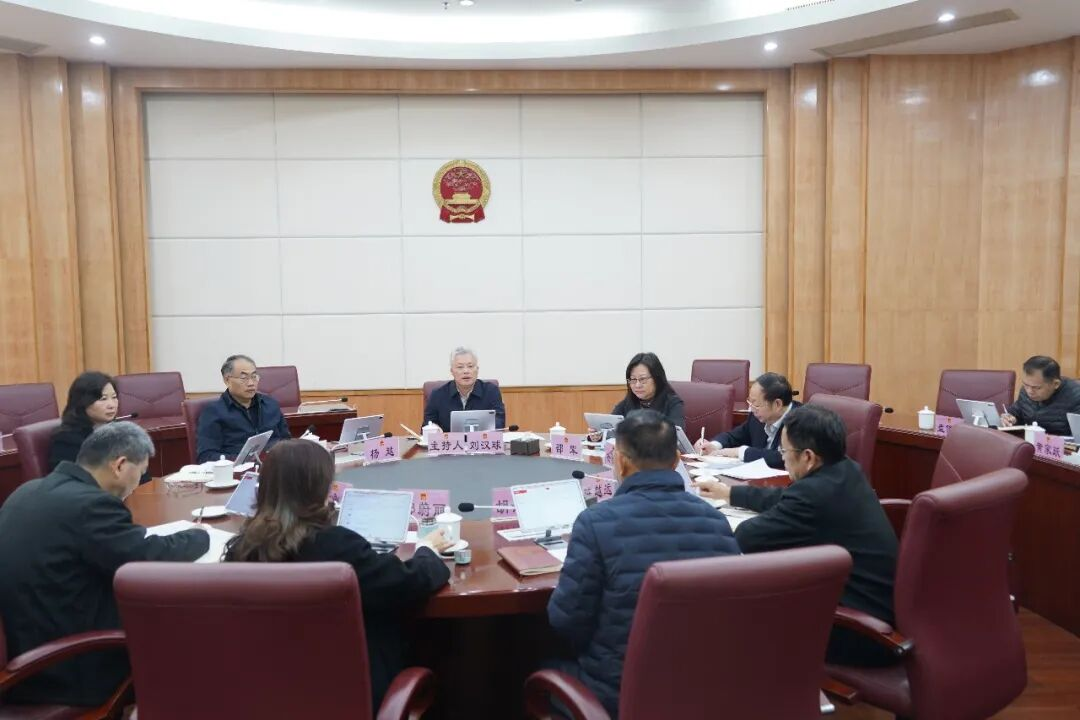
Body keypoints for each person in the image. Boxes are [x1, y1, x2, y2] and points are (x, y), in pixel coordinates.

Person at [224, 440, 452, 712]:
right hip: (352, 695)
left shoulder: (241, 550)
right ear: (316, 489)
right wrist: (427, 550)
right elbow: (409, 583)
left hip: (267, 699)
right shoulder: (336, 546)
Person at [0, 422, 209, 707]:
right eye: (141, 472)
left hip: (28, 648)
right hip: (68, 668)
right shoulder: (91, 505)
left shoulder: (27, 491)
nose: (139, 481)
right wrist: (199, 536)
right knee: (190, 626)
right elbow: (147, 557)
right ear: (120, 465)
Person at [548, 410, 739, 716]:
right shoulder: (716, 521)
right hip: (701, 689)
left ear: (620, 462)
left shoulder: (595, 522)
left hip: (618, 691)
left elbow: (566, 620)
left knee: (533, 661)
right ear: (676, 461)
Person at [695, 404, 898, 667]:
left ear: (808, 457)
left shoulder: (813, 495)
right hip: (874, 608)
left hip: (858, 631)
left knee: (737, 608)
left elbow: (747, 538)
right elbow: (786, 497)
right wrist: (730, 493)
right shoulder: (845, 470)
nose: (782, 458)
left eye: (784, 451)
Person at [196, 354, 291, 463]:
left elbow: (286, 440)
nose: (251, 383)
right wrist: (241, 460)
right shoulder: (213, 412)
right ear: (227, 380)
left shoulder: (270, 404)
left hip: (275, 466)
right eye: (243, 378)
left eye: (254, 376)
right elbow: (206, 456)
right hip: (236, 470)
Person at [693, 371, 798, 469]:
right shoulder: (757, 416)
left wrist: (740, 452)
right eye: (750, 402)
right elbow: (734, 436)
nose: (751, 409)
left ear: (777, 404)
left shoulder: (800, 421)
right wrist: (713, 445)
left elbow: (783, 457)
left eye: (755, 404)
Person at [48, 371, 118, 472]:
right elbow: (67, 477)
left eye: (114, 397)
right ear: (83, 402)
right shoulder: (67, 439)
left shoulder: (120, 431)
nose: (112, 405)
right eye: (103, 399)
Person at [422, 347, 506, 431]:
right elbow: (428, 424)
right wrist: (434, 429)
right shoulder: (437, 395)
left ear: (477, 370)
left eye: (470, 366)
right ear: (452, 371)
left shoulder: (491, 391)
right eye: (460, 367)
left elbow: (499, 422)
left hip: (482, 439)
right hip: (449, 439)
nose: (466, 371)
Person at [1001, 355, 1080, 436]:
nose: (1029, 391)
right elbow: (1016, 412)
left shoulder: (1076, 396)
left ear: (1056, 384)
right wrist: (1009, 418)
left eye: (1037, 388)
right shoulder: (1026, 390)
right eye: (1026, 385)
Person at [610, 352, 685, 429]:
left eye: (642, 379)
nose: (637, 385)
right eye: (633, 379)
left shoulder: (673, 404)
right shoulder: (627, 402)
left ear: (657, 379)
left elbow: (676, 433)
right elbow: (609, 427)